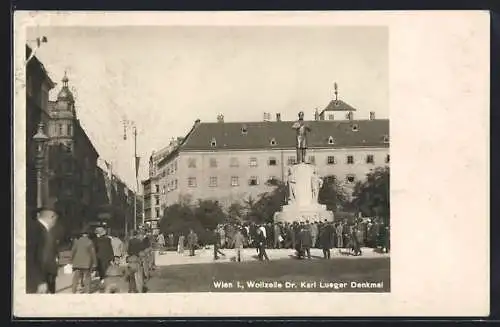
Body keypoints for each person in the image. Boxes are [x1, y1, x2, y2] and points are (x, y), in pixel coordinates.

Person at [26, 206, 61, 294]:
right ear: (52, 217)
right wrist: (40, 281)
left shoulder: (46, 231)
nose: (56, 223)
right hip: (39, 281)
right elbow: (30, 257)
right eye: (56, 219)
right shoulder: (35, 230)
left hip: (47, 278)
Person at [71, 227, 97, 293]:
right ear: (88, 234)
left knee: (75, 278)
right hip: (86, 264)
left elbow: (73, 251)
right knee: (87, 278)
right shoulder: (89, 242)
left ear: (82, 234)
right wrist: (95, 263)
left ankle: (73, 291)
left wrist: (72, 260)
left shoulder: (77, 241)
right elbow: (93, 253)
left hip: (77, 263)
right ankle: (87, 292)